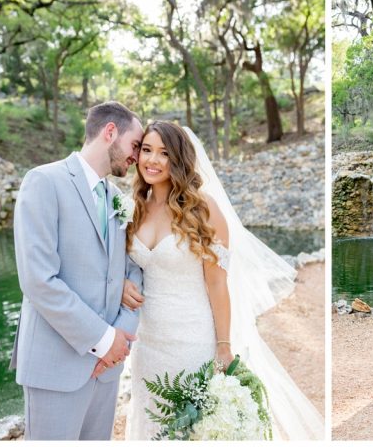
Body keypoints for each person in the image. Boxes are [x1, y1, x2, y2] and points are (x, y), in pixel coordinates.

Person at [121, 121, 324, 440]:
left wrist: (224, 346)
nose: (153, 160)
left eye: (164, 153)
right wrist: (120, 285)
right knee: (151, 426)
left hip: (191, 339)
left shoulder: (204, 210)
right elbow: (122, 267)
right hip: (147, 343)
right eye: (147, 150)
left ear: (179, 159)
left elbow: (217, 284)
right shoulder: (135, 208)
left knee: (194, 429)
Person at [11, 101, 145, 440]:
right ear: (110, 132)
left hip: (107, 371)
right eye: (135, 145)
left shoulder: (119, 199)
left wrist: (122, 339)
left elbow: (135, 270)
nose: (138, 157)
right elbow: (38, 280)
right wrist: (104, 340)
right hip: (56, 366)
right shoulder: (44, 181)